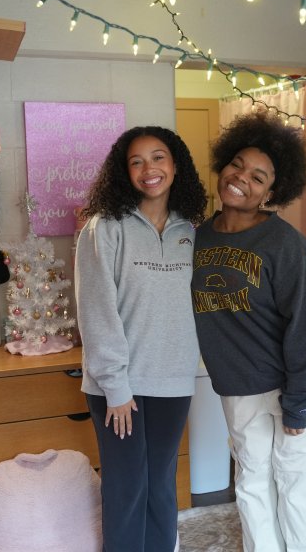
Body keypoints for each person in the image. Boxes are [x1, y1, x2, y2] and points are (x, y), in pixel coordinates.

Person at [191, 111, 306, 551]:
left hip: (295, 381)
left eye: (259, 177)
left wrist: (298, 403)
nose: (242, 178)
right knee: (252, 484)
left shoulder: (286, 245)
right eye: (237, 164)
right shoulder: (197, 239)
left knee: (300, 488)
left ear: (272, 192)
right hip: (239, 387)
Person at [75, 126, 207, 552]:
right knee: (127, 487)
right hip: (120, 387)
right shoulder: (105, 228)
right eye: (136, 161)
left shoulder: (192, 230)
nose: (149, 169)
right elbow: (97, 309)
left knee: (160, 484)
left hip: (172, 380)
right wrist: (115, 386)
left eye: (158, 157)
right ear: (123, 171)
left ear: (175, 165)